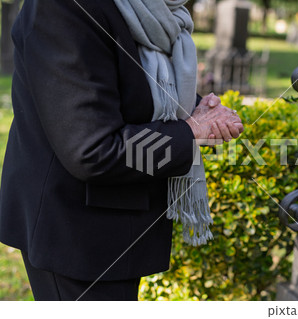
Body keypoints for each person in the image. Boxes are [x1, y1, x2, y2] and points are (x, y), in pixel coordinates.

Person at [0, 0, 243, 301]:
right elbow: (93, 151)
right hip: (76, 237)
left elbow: (131, 87)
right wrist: (191, 131)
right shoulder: (62, 8)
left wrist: (194, 108)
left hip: (117, 227)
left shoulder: (145, 9)